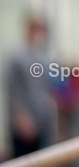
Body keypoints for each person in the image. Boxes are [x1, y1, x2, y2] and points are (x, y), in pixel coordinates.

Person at [4, 14, 57, 156]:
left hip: (42, 124)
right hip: (24, 126)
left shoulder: (41, 59)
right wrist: (22, 118)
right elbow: (15, 93)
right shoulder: (17, 59)